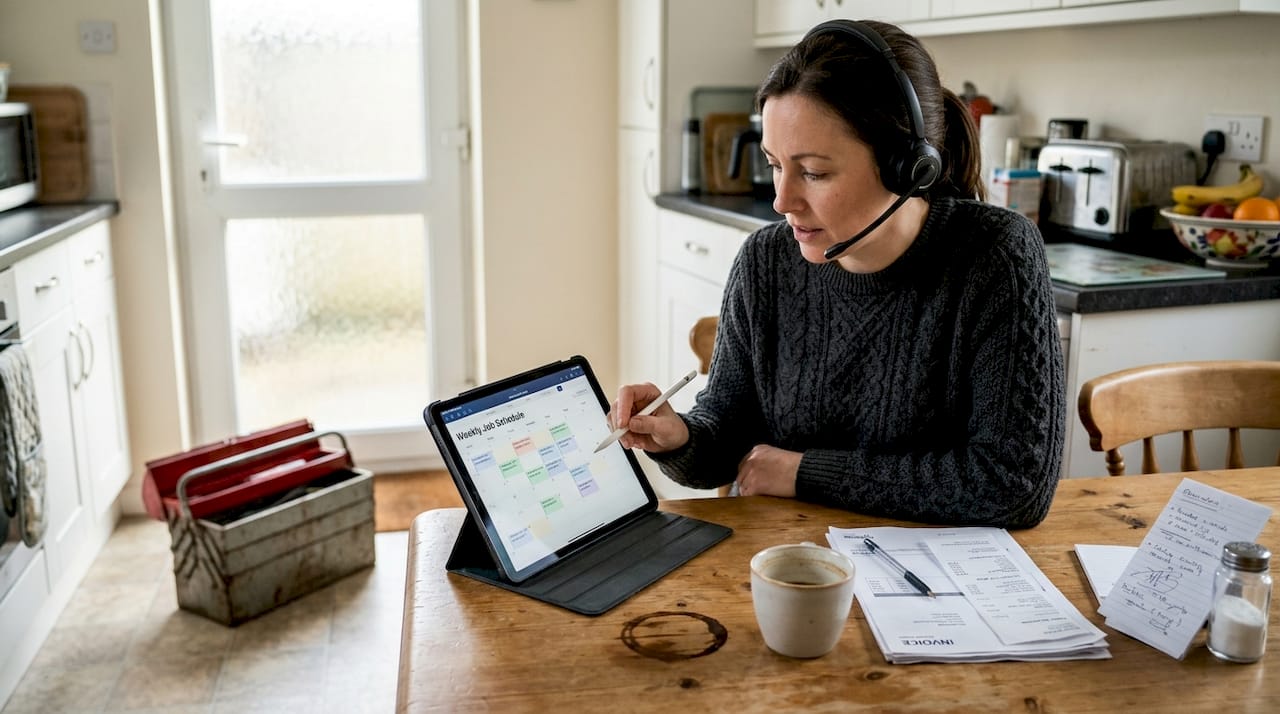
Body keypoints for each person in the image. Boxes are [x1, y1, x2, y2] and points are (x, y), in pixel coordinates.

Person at [609, 19, 1065, 529]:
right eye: (775, 164)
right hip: (789, 564)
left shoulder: (994, 255)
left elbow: (1011, 485)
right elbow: (729, 442)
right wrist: (681, 436)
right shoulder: (765, 261)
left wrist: (806, 473)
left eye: (814, 172)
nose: (782, 200)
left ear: (908, 168)